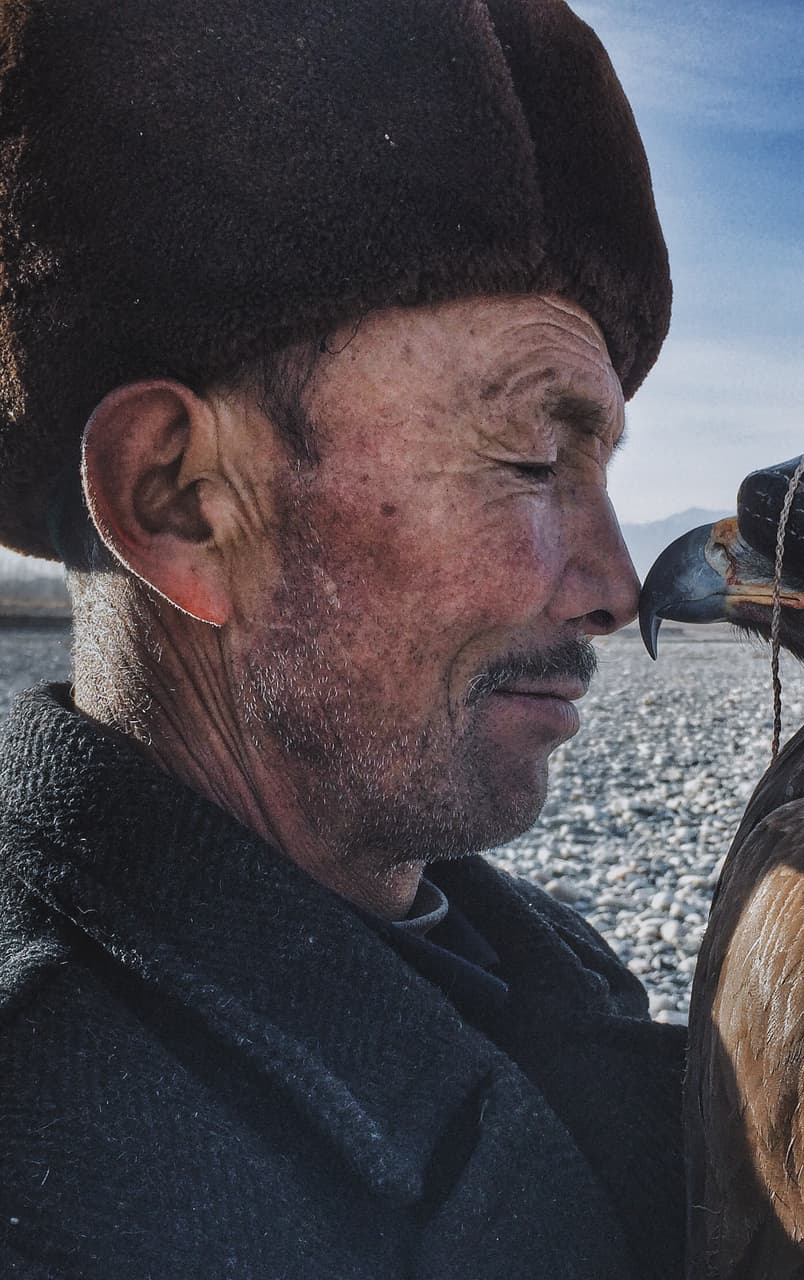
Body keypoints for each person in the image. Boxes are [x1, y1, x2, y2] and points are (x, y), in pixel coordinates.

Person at [0, 2, 685, 1276]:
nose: (615, 587)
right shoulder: (54, 1153)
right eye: (531, 458)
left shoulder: (538, 953)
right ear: (181, 500)